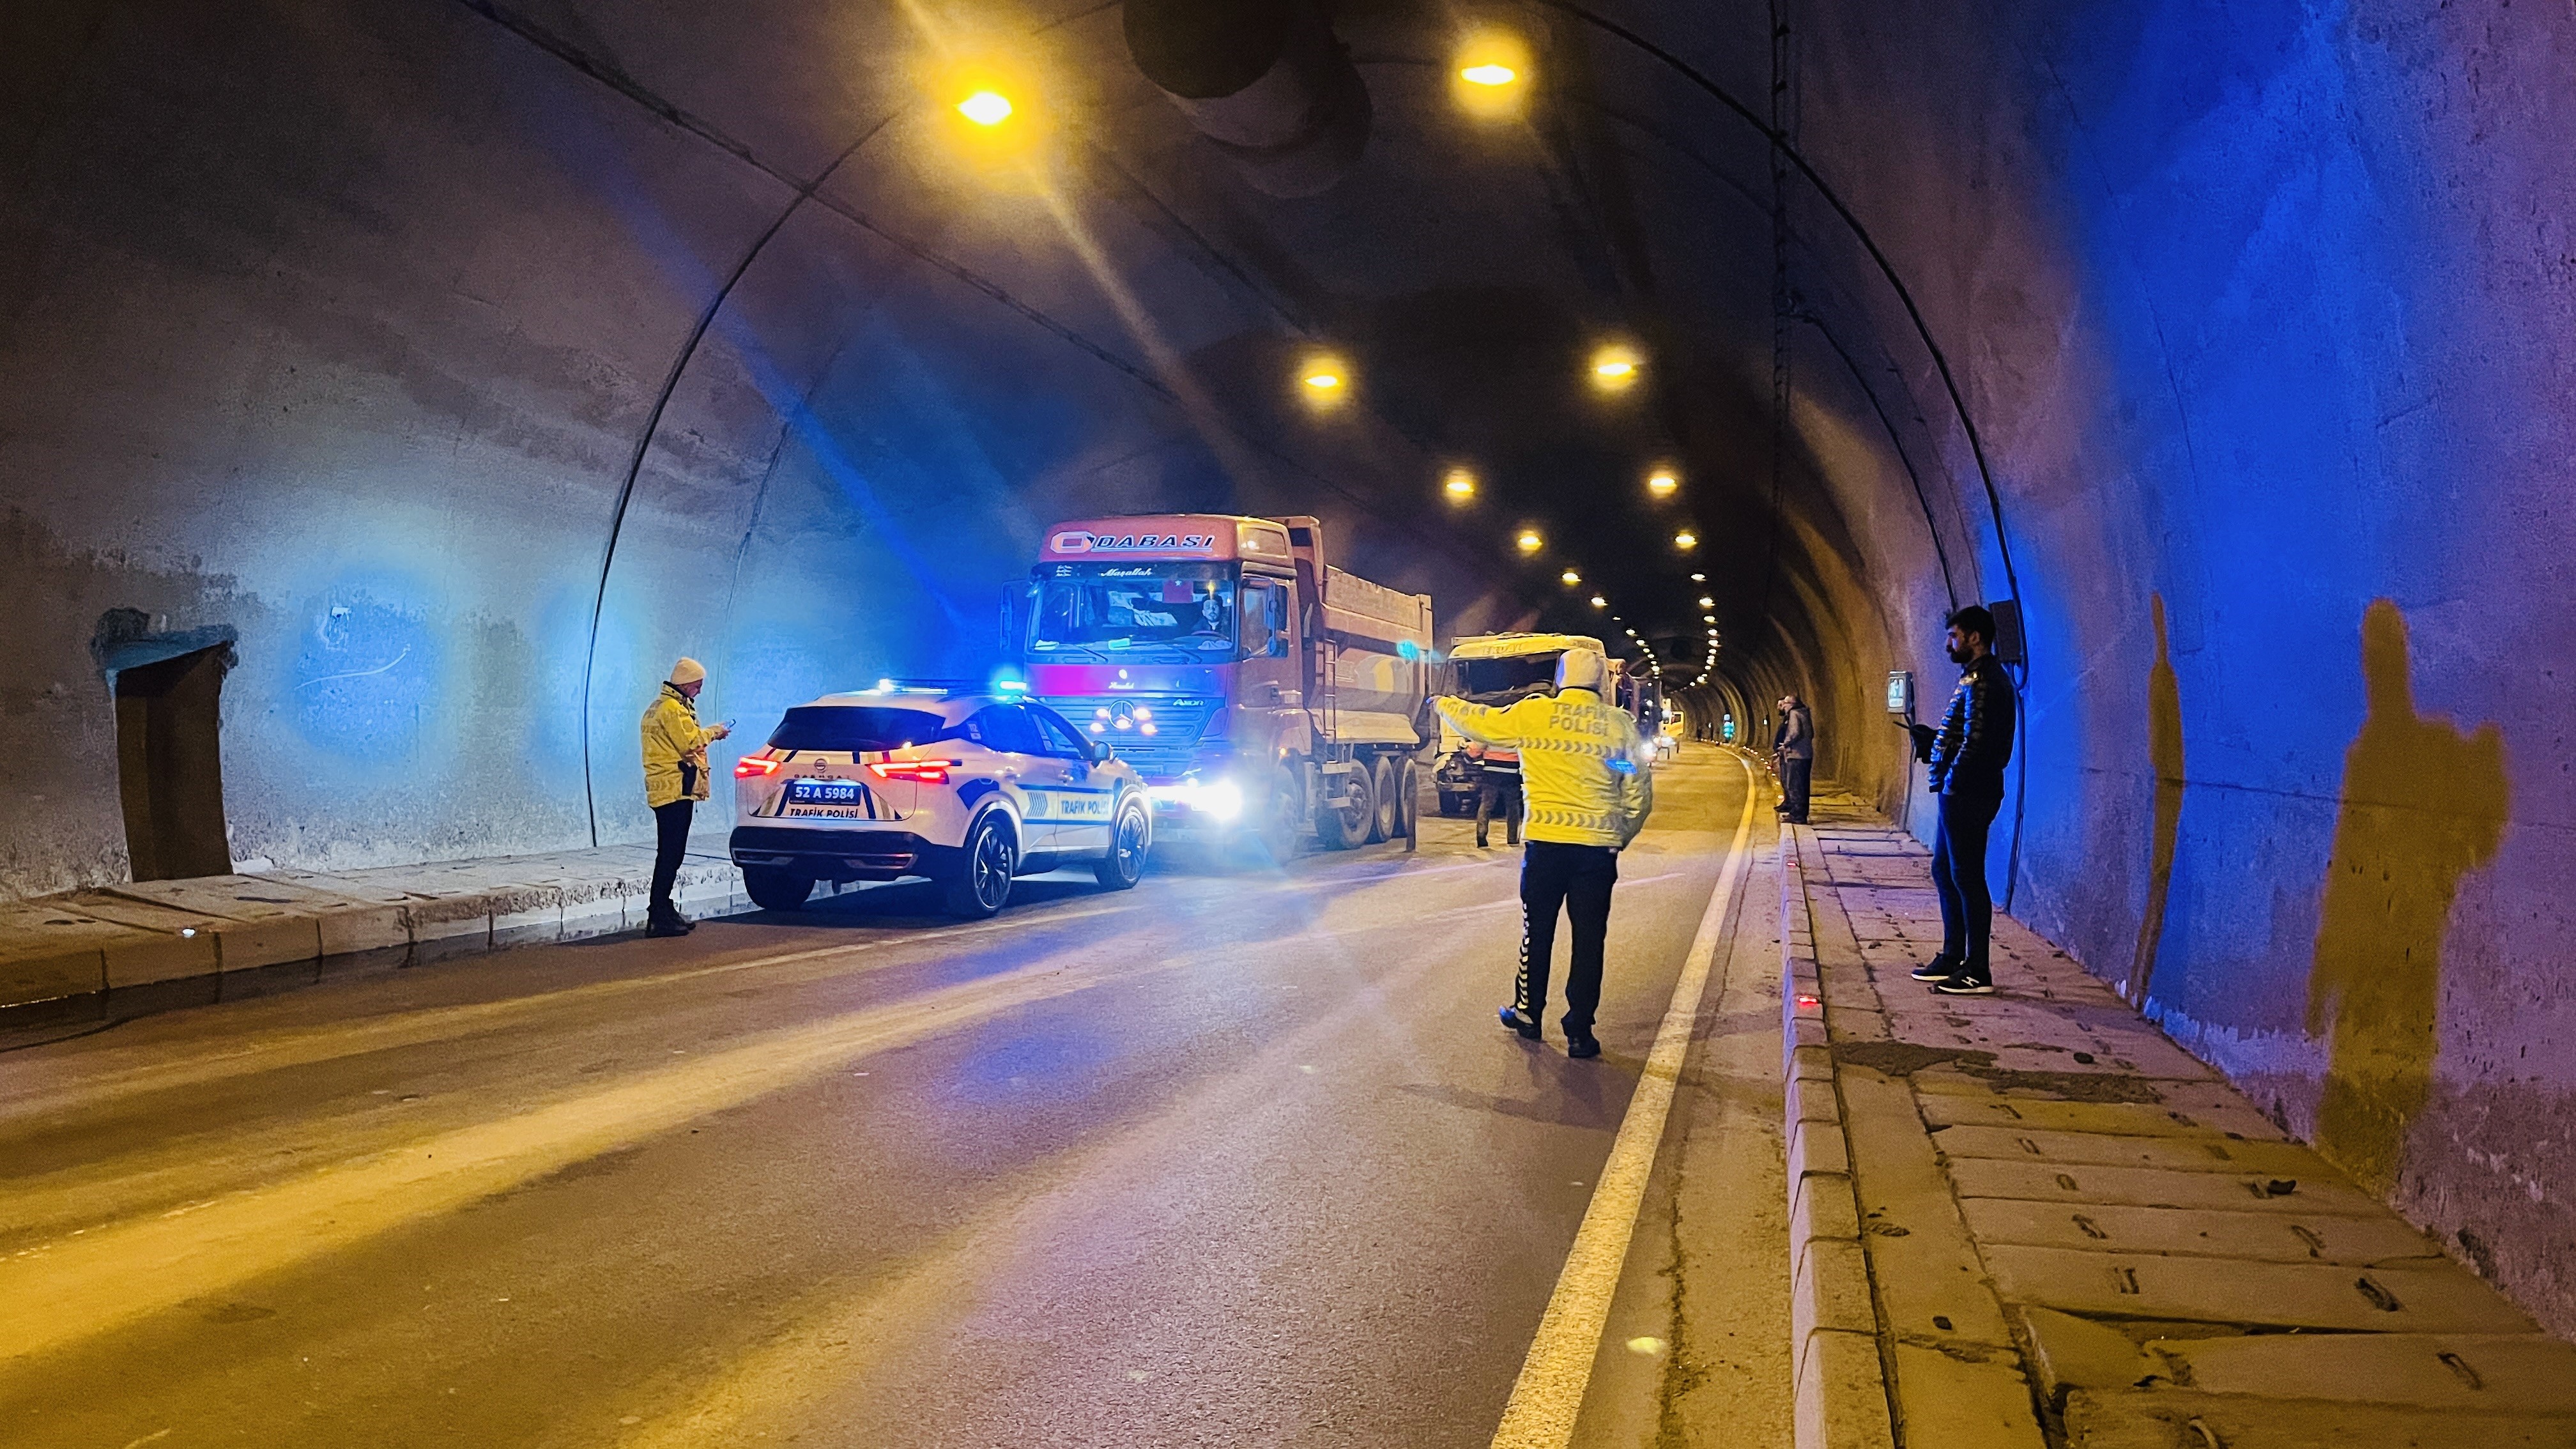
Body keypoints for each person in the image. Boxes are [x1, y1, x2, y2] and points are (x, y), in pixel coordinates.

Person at [1438, 648, 1654, 1059]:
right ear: (1601, 684)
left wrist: (1442, 703)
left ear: (1559, 681)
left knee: (1536, 931)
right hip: (1595, 854)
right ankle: (1579, 1033)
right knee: (1589, 941)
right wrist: (1618, 835)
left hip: (1546, 848)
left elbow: (1481, 722)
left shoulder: (1534, 715)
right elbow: (1638, 790)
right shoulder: (1618, 726)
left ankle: (1528, 1014)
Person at [1910, 607, 2016, 995]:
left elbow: (1979, 743)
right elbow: (1968, 733)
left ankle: (1978, 969)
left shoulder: (1985, 680)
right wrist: (1936, 742)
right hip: (1959, 790)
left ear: (1974, 637)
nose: (1948, 643)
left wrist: (1951, 778)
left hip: (1968, 792)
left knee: (1968, 877)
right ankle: (1953, 955)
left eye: (1954, 635)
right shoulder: (1974, 678)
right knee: (1945, 870)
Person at [641, 657, 731, 938]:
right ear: (685, 683)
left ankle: (664, 909)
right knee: (671, 853)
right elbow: (690, 742)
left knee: (671, 852)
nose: (700, 691)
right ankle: (658, 914)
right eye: (698, 685)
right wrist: (716, 731)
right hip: (674, 788)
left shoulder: (662, 706)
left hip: (669, 787)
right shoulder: (672, 709)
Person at [1466, 738, 1522, 848]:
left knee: (1486, 804)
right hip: (1511, 773)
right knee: (1512, 806)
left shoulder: (1491, 731)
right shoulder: (1517, 733)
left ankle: (1481, 837)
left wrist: (1468, 748)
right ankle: (1513, 839)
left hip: (1491, 773)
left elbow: (1474, 751)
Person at [1774, 693, 1814, 824]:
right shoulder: (1804, 714)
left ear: (1790, 705)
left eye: (1785, 705)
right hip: (1805, 754)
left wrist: (1785, 745)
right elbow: (1810, 733)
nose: (1783, 708)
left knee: (1795, 785)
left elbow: (1794, 732)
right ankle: (1801, 813)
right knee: (1802, 786)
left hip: (1796, 755)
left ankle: (1797, 816)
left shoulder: (1794, 714)